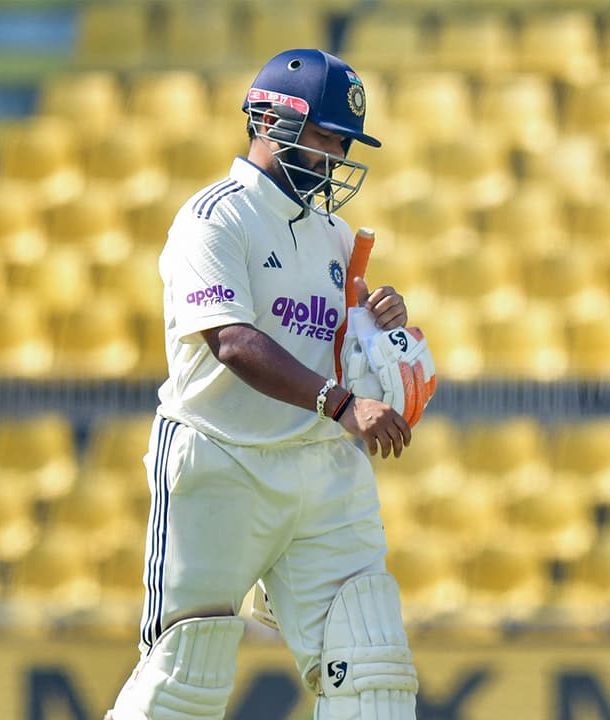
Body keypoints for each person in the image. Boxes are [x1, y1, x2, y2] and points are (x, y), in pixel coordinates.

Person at [106, 49, 419, 719]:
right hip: (222, 460)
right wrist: (340, 403)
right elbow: (233, 342)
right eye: (328, 138)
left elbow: (338, 346)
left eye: (344, 143)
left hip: (320, 465)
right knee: (185, 679)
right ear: (272, 122)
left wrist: (377, 319)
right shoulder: (213, 218)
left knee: (373, 671)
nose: (337, 157)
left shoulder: (335, 234)